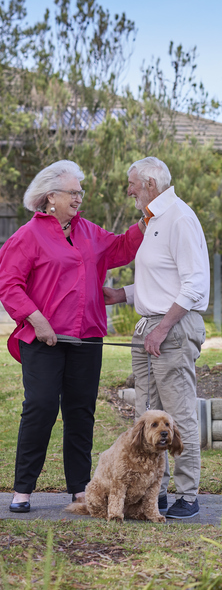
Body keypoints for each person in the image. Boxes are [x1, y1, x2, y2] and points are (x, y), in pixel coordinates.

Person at [0, 160, 144, 513]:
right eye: (74, 192)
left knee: (81, 411)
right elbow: (9, 285)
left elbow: (122, 249)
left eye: (81, 192)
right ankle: (22, 490)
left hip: (87, 337)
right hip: (44, 339)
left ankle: (80, 487)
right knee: (41, 407)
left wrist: (149, 219)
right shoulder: (27, 237)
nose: (80, 197)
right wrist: (38, 320)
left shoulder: (90, 232)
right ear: (51, 197)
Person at [104, 157, 210, 519]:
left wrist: (163, 327)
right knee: (146, 415)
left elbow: (194, 284)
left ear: (150, 183)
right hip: (150, 328)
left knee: (177, 415)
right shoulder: (152, 222)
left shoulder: (179, 217)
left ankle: (188, 495)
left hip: (172, 330)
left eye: (131, 183)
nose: (128, 189)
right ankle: (154, 493)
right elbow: (163, 280)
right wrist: (122, 295)